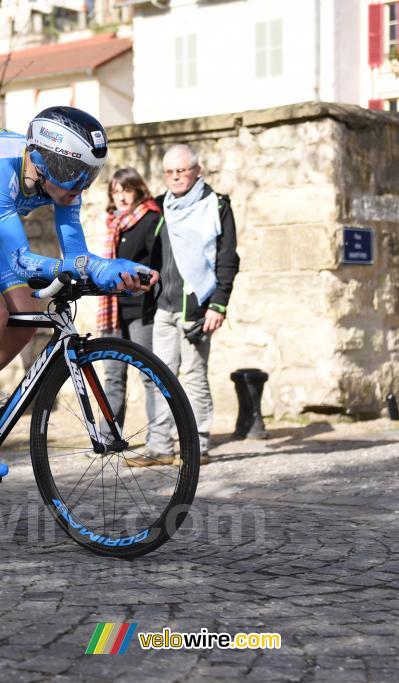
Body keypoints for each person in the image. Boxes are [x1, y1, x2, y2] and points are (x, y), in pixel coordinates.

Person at [0, 107, 159, 480]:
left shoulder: (62, 184)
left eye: (88, 175)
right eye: (74, 173)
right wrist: (88, 268)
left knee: (25, 318)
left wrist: (112, 272)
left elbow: (77, 258)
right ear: (41, 160)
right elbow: (23, 261)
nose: (79, 187)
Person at [143, 144, 239, 466]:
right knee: (159, 376)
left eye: (182, 171)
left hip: (195, 307)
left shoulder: (216, 205)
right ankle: (160, 446)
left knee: (194, 377)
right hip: (163, 307)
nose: (175, 177)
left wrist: (219, 305)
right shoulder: (159, 207)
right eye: (170, 172)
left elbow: (227, 258)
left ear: (196, 170)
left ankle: (197, 446)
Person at [97, 168, 162, 453]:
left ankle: (159, 442)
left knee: (149, 375)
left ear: (138, 190)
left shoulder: (150, 219)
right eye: (116, 190)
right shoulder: (114, 224)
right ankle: (108, 440)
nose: (121, 196)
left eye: (126, 190)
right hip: (113, 310)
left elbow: (158, 265)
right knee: (112, 377)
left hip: (140, 309)